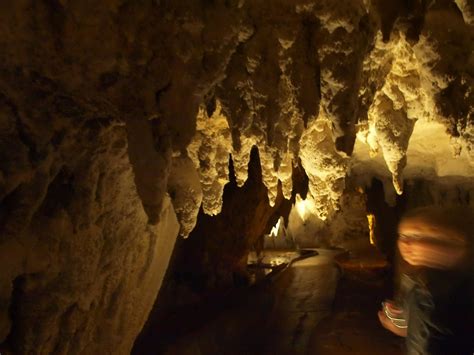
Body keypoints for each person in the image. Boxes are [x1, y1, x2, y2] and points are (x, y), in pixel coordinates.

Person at [378, 205, 474, 355]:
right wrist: (402, 323)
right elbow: (428, 330)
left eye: (417, 236)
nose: (405, 244)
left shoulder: (463, 291)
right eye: (402, 236)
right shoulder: (420, 283)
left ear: (453, 240)